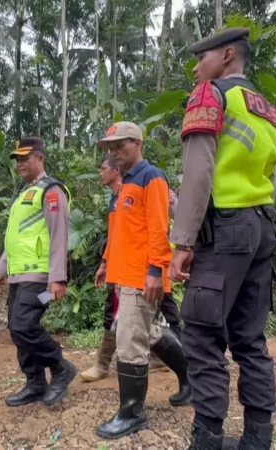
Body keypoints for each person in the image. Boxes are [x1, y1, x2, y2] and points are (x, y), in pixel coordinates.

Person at [168, 28, 276, 449]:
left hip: (225, 231)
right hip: (262, 226)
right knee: (250, 338)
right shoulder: (269, 110)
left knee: (202, 336)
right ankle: (258, 437)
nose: (196, 67)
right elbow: (269, 168)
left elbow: (199, 173)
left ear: (228, 55)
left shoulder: (211, 94)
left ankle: (208, 438)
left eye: (202, 58)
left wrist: (183, 242)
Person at [93, 122, 192, 440]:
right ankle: (191, 378)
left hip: (141, 276)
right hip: (124, 273)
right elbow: (121, 233)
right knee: (150, 333)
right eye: (110, 148)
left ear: (138, 143)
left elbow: (159, 229)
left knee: (130, 341)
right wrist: (106, 262)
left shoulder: (151, 177)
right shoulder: (125, 184)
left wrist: (154, 271)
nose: (114, 152)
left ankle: (132, 413)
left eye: (120, 145)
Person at [80, 155, 185, 383]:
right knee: (130, 320)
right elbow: (115, 234)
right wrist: (105, 262)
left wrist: (161, 265)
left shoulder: (151, 180)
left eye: (104, 168)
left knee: (162, 318)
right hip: (123, 268)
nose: (100, 172)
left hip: (149, 268)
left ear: (116, 170)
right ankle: (105, 364)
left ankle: (184, 371)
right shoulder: (119, 195)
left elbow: (163, 226)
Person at [0, 137, 76, 407]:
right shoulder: (23, 194)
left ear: (40, 158)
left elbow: (59, 234)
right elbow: (15, 236)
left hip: (40, 278)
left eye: (25, 158)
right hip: (18, 276)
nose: (19, 164)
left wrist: (57, 278)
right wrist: (1, 270)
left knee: (24, 325)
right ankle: (35, 382)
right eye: (17, 159)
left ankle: (60, 367)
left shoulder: (51, 191)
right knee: (16, 329)